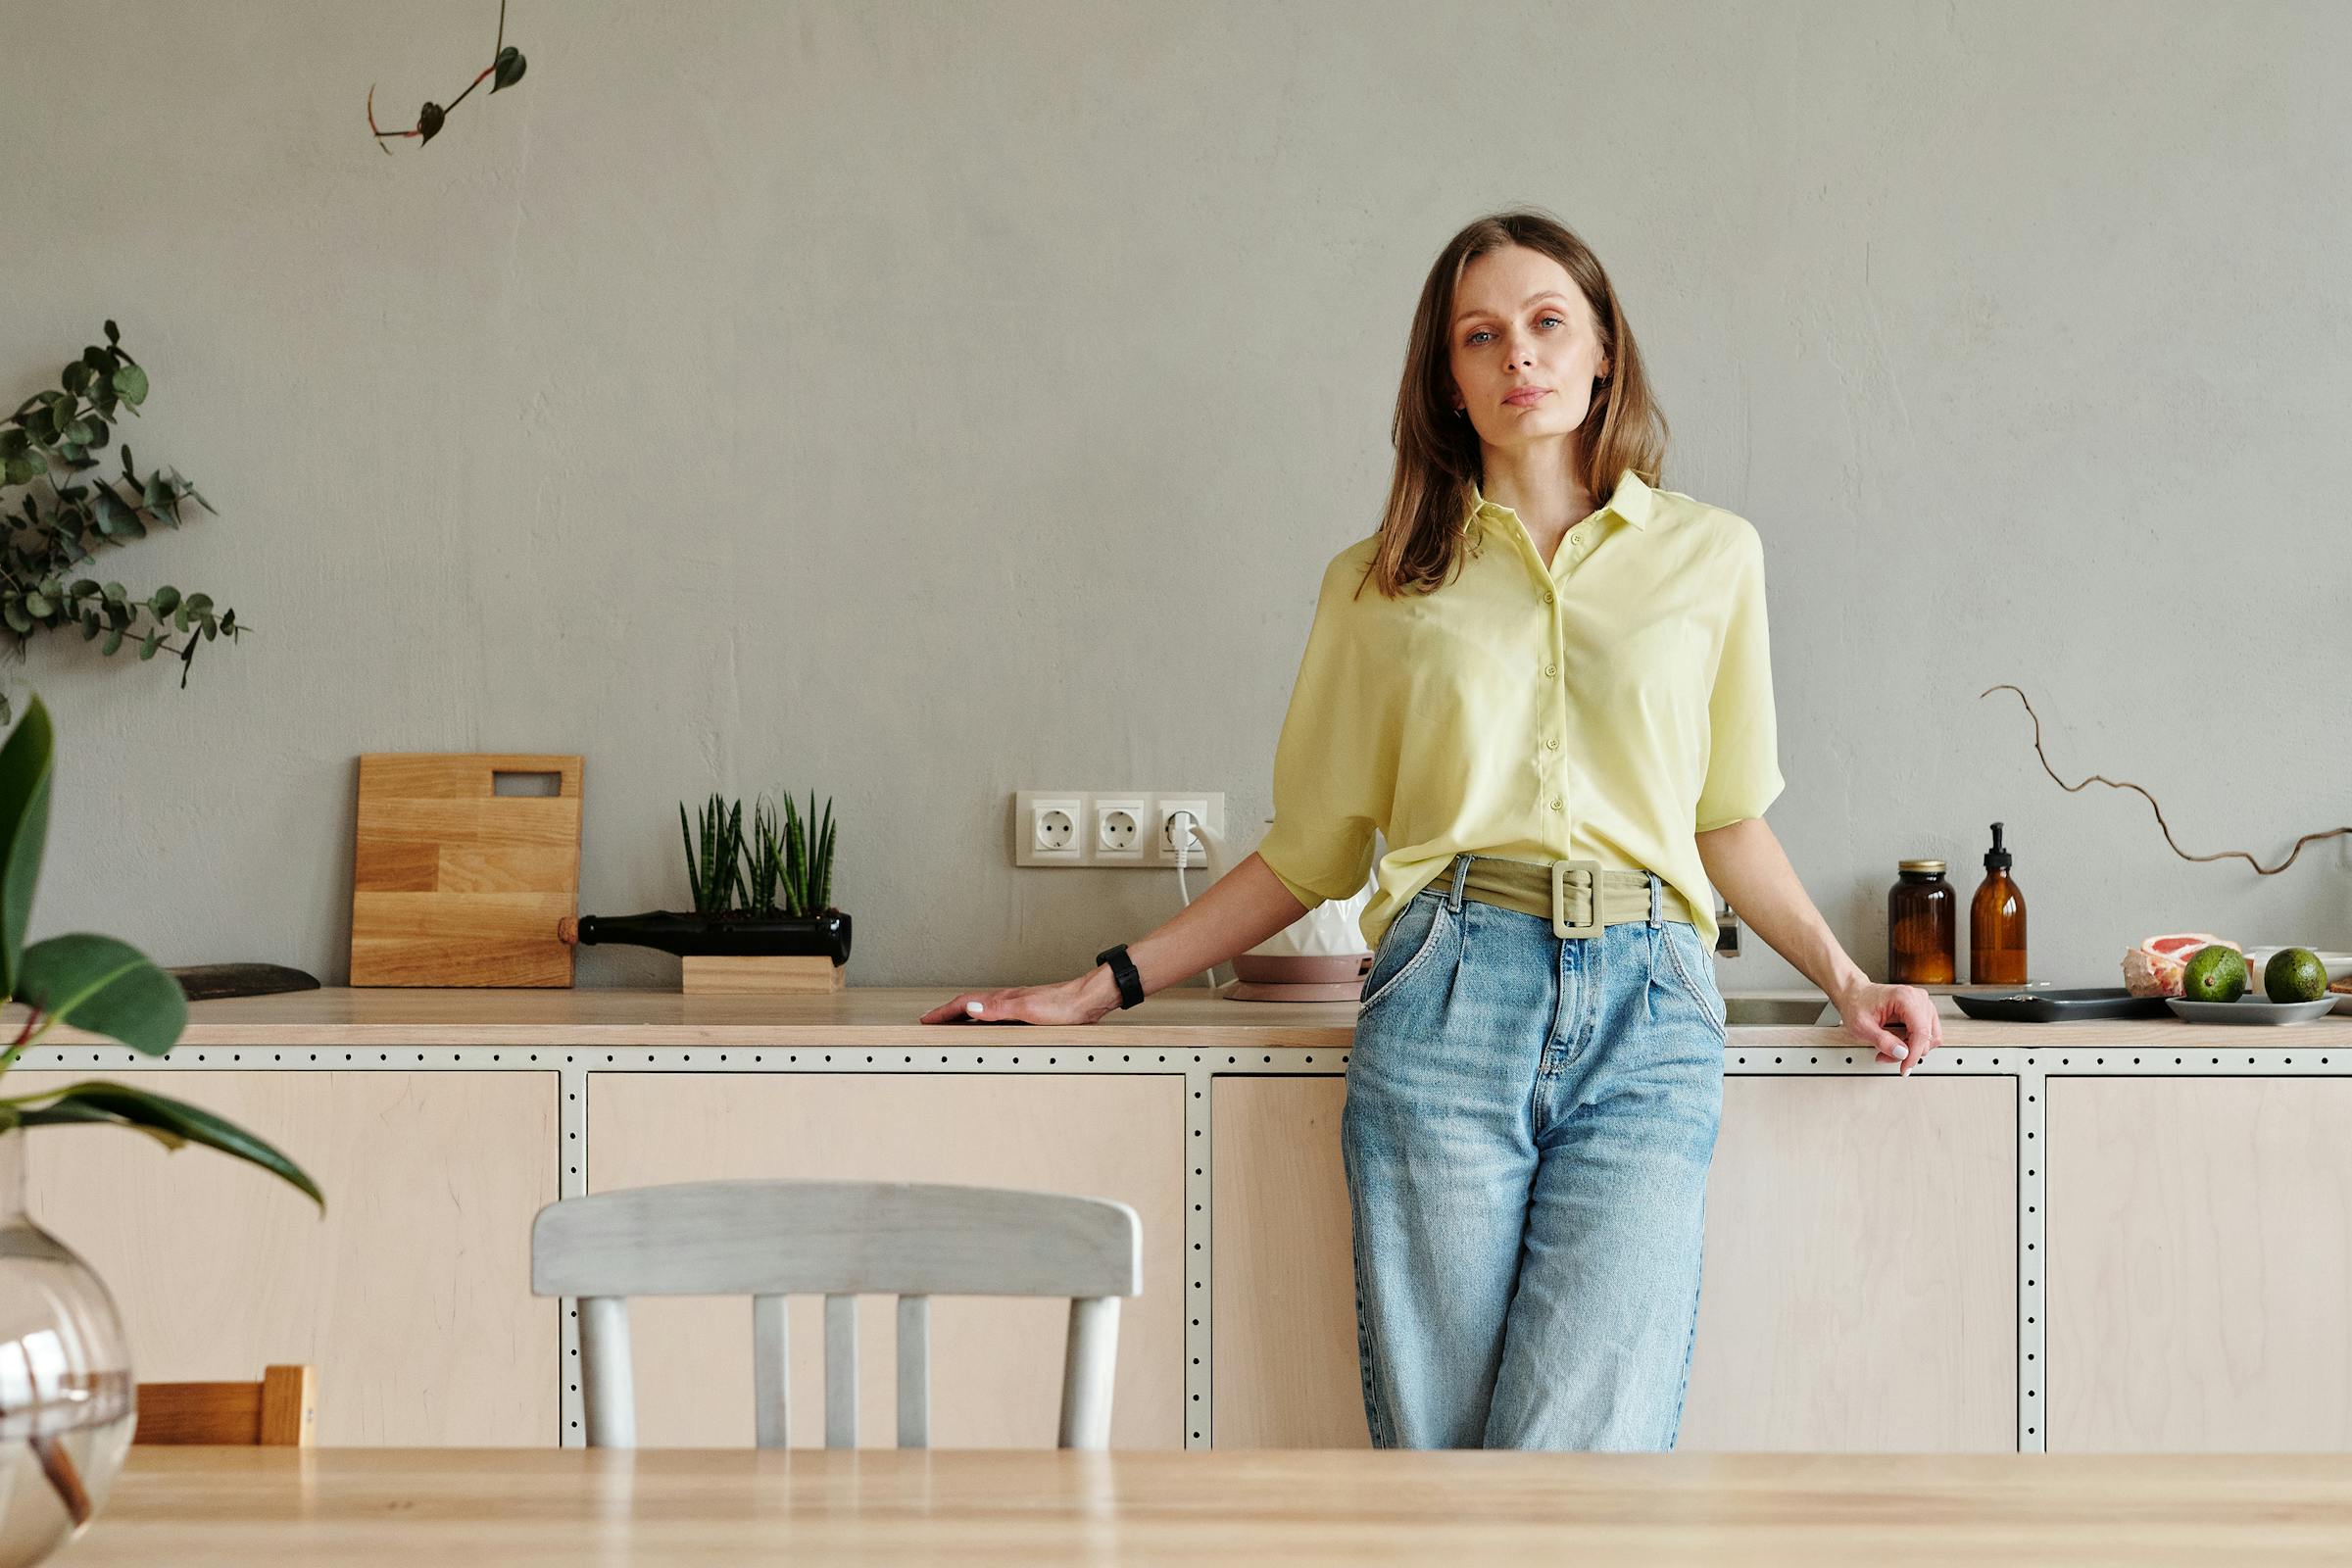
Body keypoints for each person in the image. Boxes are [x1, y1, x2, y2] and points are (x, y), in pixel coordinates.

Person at [919, 208, 1942, 1449]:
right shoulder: (1380, 580)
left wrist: (1845, 977)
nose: (1521, 355)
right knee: (1441, 1465)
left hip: (1654, 1009)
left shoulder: (1713, 558)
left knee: (1584, 1454)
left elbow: (1724, 816)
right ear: (1448, 380)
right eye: (1482, 335)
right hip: (1450, 992)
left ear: (1603, 348)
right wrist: (1100, 985)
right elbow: (1315, 846)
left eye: (1549, 322)